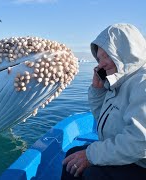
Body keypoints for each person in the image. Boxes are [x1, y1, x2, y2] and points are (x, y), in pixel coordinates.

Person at [61, 23, 146, 179]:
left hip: (140, 161)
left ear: (127, 51)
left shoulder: (142, 83)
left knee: (92, 174)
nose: (101, 64)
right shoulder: (119, 83)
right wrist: (97, 91)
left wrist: (91, 156)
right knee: (71, 157)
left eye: (107, 55)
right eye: (99, 58)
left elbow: (140, 142)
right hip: (127, 156)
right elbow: (103, 120)